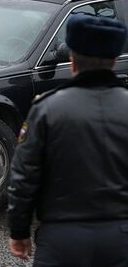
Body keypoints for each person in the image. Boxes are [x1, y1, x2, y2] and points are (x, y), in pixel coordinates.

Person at [7, 14, 128, 267]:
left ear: (72, 61)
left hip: (62, 240)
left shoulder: (47, 109)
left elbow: (24, 178)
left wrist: (19, 231)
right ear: (114, 61)